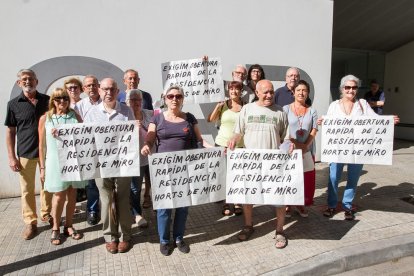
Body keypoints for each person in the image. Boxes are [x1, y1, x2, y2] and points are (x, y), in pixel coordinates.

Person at [141, 85, 211, 256]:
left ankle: (179, 237)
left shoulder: (190, 118)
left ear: (182, 99)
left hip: (185, 171)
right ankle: (164, 240)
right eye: (170, 96)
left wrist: (213, 148)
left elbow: (200, 140)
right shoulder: (157, 118)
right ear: (165, 99)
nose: (174, 99)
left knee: (182, 207)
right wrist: (147, 145)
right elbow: (150, 135)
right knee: (164, 207)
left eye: (178, 96)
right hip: (163, 171)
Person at [320, 75, 399, 221]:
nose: (351, 90)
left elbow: (375, 119)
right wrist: (322, 122)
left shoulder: (362, 103)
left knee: (353, 179)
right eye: (347, 87)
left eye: (354, 87)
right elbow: (328, 124)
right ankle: (331, 205)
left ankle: (347, 206)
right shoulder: (334, 105)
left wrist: (389, 121)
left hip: (358, 150)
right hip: (337, 149)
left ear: (357, 89)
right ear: (342, 89)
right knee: (333, 178)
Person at [228, 79, 290, 249]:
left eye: (271, 92)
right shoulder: (247, 109)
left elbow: (286, 138)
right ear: (257, 93)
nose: (269, 95)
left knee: (279, 197)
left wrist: (289, 145)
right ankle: (248, 226)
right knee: (248, 196)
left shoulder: (280, 112)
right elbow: (238, 132)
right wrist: (233, 139)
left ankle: (279, 231)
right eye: (266, 92)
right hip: (251, 164)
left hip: (274, 164)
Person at [84, 78, 135, 254]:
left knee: (122, 199)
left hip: (123, 164)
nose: (108, 92)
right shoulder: (91, 113)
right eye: (105, 89)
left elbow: (132, 137)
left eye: (112, 89)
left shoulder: (127, 111)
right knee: (105, 200)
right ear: (99, 90)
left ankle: (125, 236)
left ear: (117, 90)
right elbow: (84, 138)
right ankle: (110, 237)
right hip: (101, 164)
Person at [5, 69, 53, 240]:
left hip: (47, 153)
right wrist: (11, 157)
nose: (28, 82)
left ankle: (46, 214)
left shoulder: (48, 101)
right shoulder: (13, 104)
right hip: (25, 153)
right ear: (19, 83)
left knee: (47, 186)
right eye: (24, 79)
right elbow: (10, 132)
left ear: (36, 81)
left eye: (31, 79)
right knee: (27, 190)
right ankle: (30, 222)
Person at [38, 88, 86, 245]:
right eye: (58, 99)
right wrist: (43, 167)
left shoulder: (75, 116)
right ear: (53, 100)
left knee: (72, 194)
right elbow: (41, 145)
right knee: (58, 196)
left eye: (65, 98)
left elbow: (84, 137)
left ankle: (69, 225)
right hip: (54, 162)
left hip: (72, 161)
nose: (62, 101)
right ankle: (56, 228)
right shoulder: (46, 118)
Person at [117, 69, 154, 209]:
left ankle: (147, 197)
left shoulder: (147, 96)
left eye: (135, 78)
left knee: (149, 177)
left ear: (139, 80)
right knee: (134, 185)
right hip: (130, 151)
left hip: (147, 147)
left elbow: (152, 119)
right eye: (130, 78)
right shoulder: (118, 95)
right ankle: (134, 211)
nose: (132, 81)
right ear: (124, 80)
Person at [208, 81, 244, 216]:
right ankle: (227, 203)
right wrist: (217, 107)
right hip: (222, 145)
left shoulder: (246, 106)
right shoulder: (223, 105)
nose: (233, 91)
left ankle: (237, 202)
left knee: (238, 175)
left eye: (236, 89)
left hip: (239, 147)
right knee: (224, 176)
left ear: (241, 92)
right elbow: (210, 119)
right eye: (231, 89)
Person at [283, 80, 318, 218]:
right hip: (289, 150)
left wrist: (305, 146)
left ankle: (301, 204)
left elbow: (314, 129)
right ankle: (287, 204)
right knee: (289, 178)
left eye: (304, 90)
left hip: (307, 150)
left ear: (308, 93)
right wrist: (297, 144)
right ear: (293, 92)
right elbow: (283, 129)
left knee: (305, 179)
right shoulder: (285, 109)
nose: (301, 93)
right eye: (298, 90)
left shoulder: (312, 110)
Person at [74, 75, 101, 226]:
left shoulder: (108, 102)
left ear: (99, 86)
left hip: (107, 150)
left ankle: (112, 210)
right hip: (89, 150)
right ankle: (93, 210)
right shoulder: (79, 106)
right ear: (83, 89)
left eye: (94, 85)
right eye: (88, 86)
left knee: (109, 182)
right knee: (91, 183)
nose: (91, 88)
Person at [125, 89, 153, 228]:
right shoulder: (123, 118)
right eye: (132, 100)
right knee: (135, 189)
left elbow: (157, 131)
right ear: (127, 102)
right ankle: (137, 214)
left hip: (152, 157)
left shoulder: (149, 114)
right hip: (135, 159)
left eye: (138, 100)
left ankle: (160, 210)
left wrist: (142, 127)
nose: (135, 102)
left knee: (154, 184)